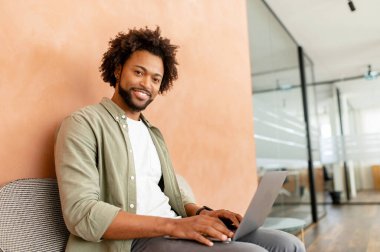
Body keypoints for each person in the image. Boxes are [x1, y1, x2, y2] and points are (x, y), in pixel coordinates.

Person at [54, 27, 305, 252]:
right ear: (118, 69)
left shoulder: (152, 133)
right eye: (138, 72)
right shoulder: (83, 123)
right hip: (131, 242)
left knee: (287, 244)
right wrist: (176, 227)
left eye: (155, 79)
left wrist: (203, 213)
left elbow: (170, 192)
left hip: (174, 230)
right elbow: (80, 213)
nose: (146, 84)